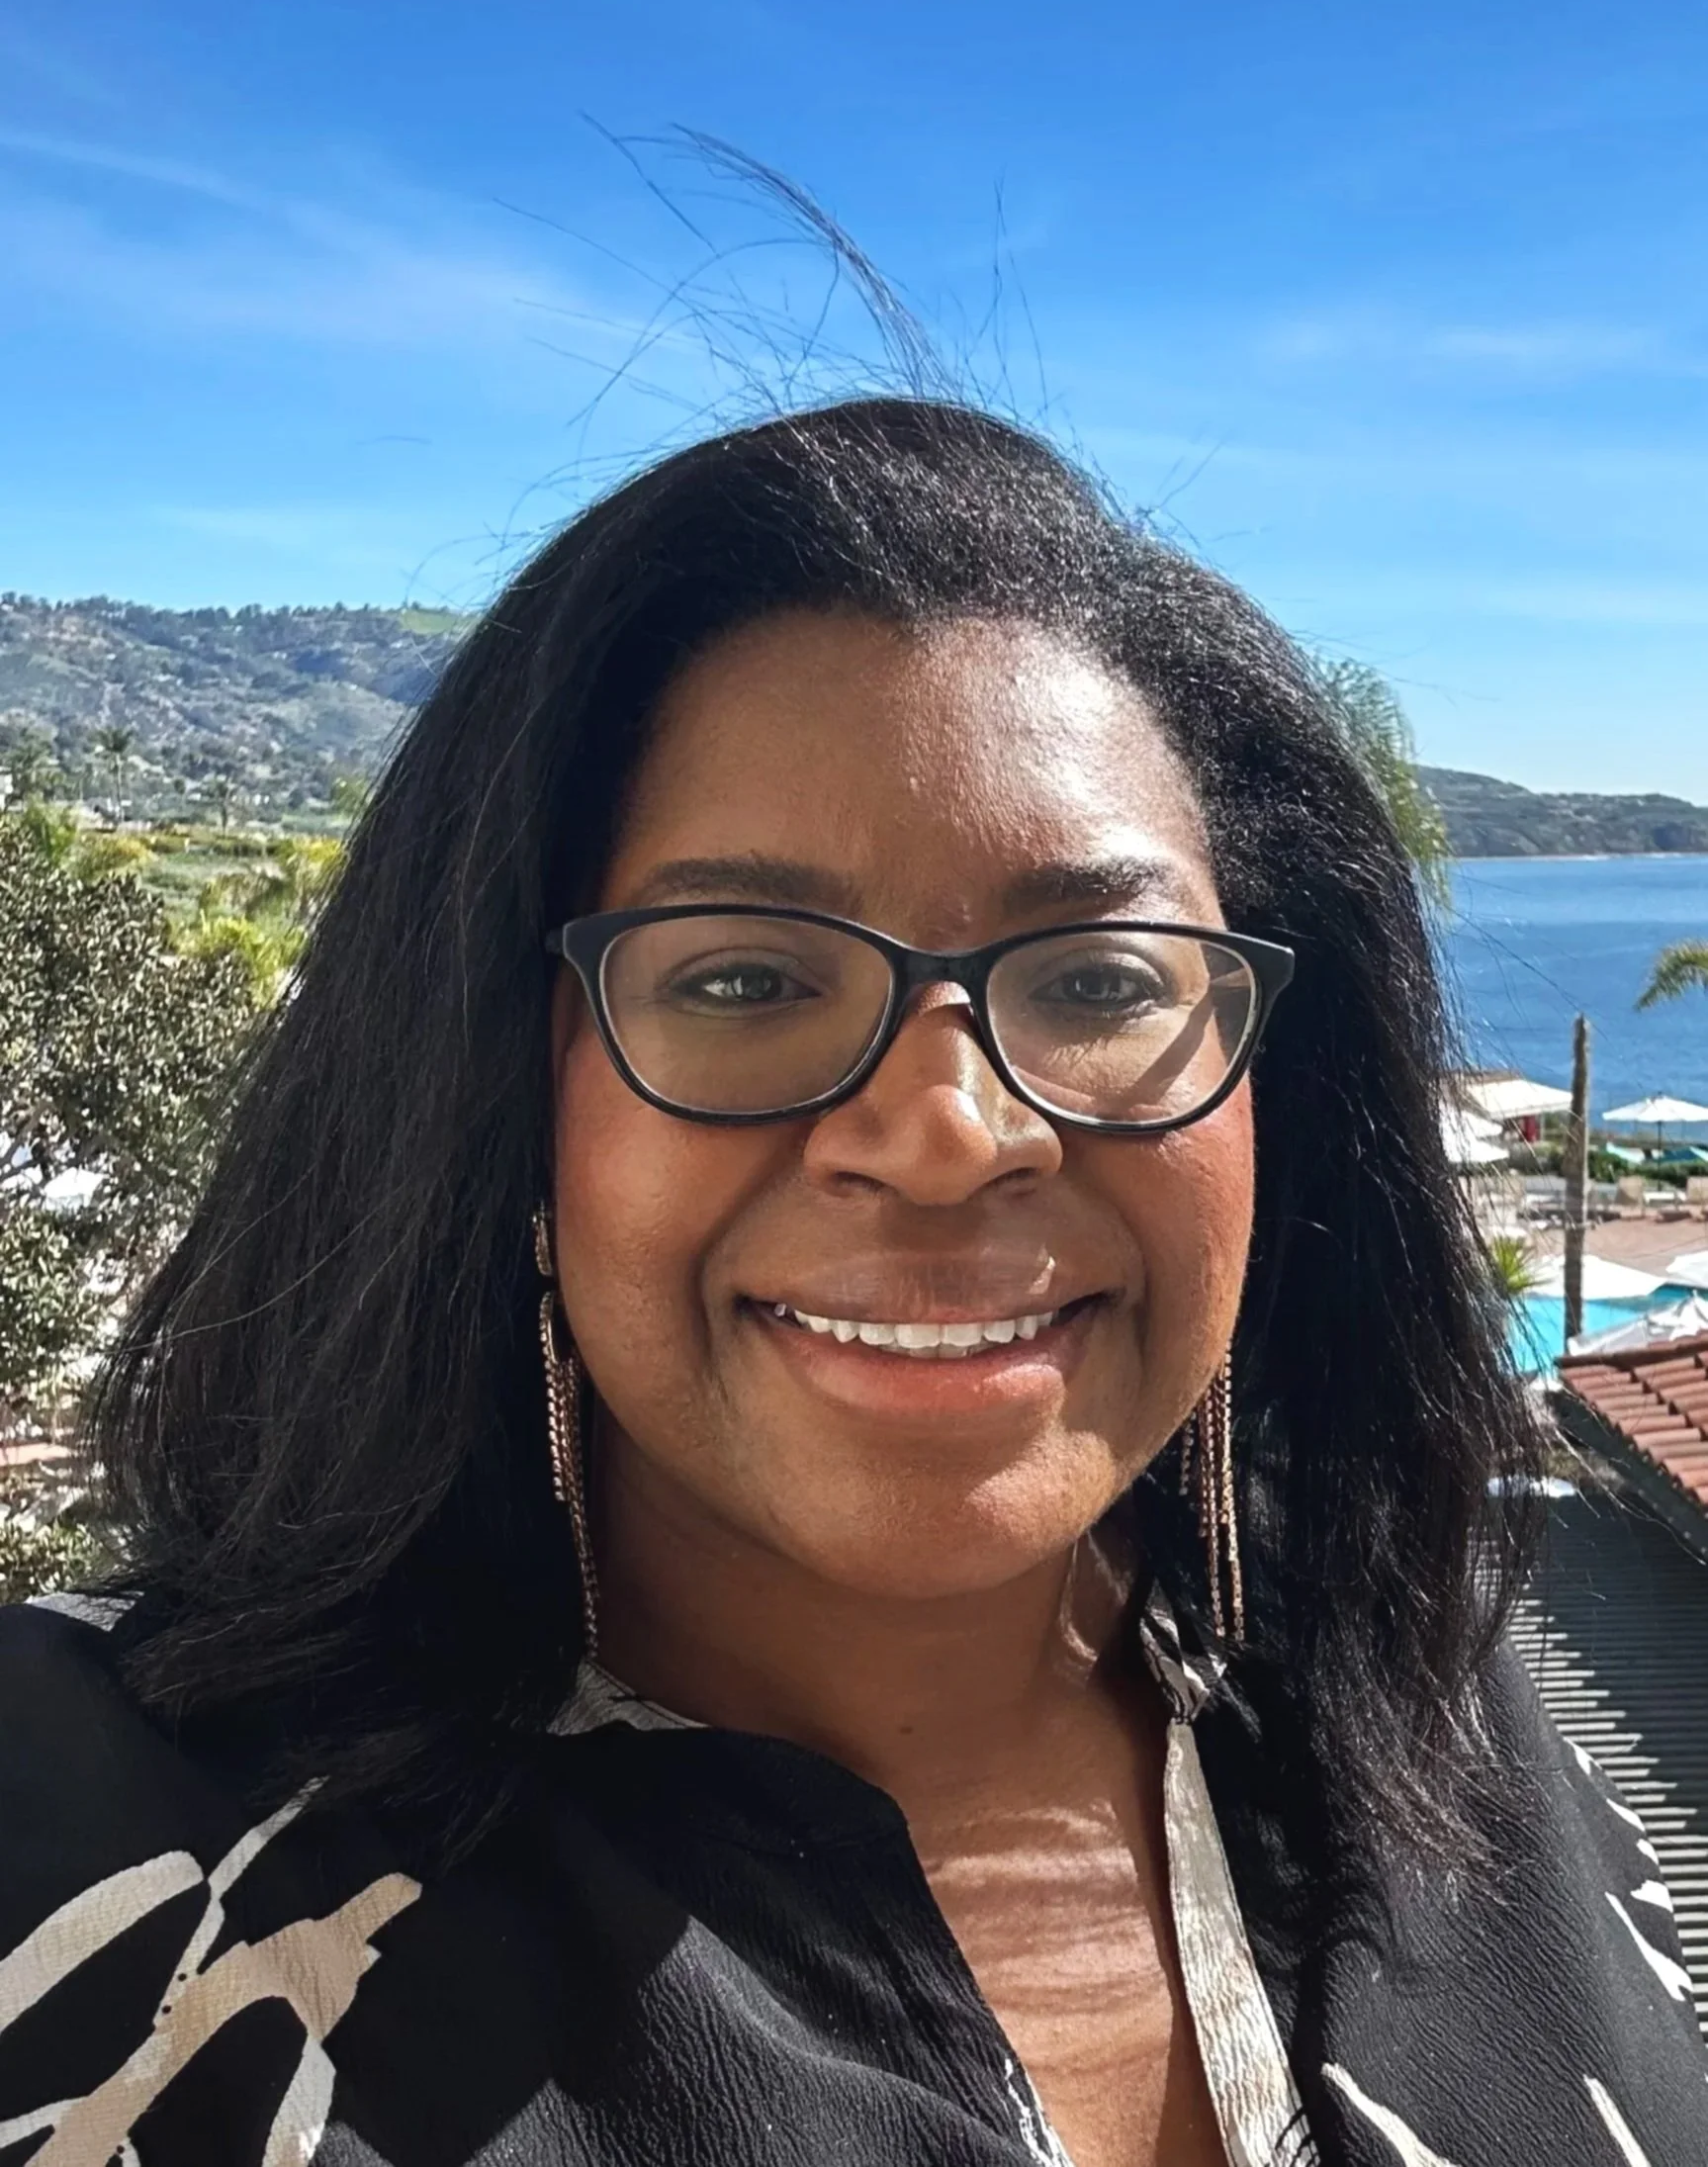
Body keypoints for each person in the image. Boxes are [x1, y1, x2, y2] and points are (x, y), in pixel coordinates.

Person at [0, 399, 1700, 2167]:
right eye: (740, 980)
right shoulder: (104, 1863)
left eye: (1103, 979)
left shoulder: (1425, 1671)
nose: (947, 1131)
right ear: (504, 1092)